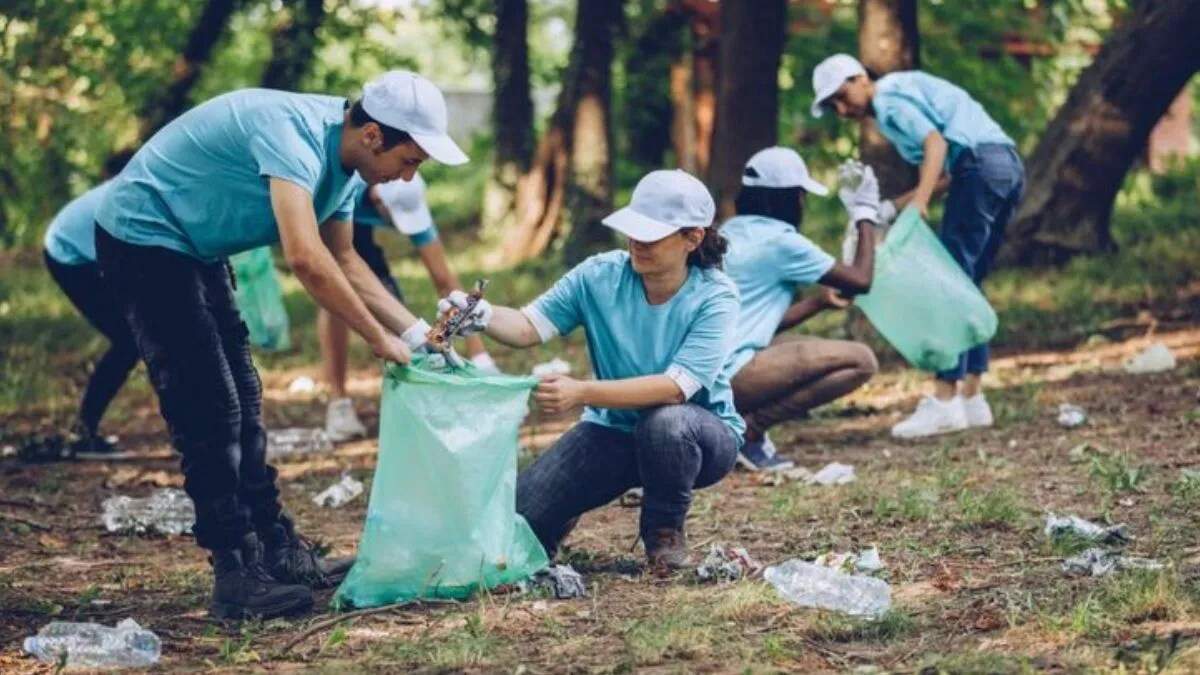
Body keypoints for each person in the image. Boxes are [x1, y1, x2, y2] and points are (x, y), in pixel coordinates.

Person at [94, 70, 467, 619]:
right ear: (372, 136)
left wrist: (416, 335)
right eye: (409, 161)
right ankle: (235, 573)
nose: (408, 179)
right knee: (210, 403)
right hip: (142, 235)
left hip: (195, 245)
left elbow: (345, 259)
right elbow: (305, 259)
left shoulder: (346, 167)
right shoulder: (293, 137)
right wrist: (377, 339)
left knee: (243, 393)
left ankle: (277, 548)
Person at [441, 169, 743, 570]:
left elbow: (675, 388)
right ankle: (561, 515)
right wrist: (481, 314)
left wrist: (580, 392)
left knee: (666, 424)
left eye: (652, 235)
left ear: (693, 238)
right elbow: (529, 326)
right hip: (612, 431)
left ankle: (663, 531)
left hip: (699, 436)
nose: (637, 241)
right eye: (634, 229)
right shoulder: (598, 275)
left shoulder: (716, 296)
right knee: (519, 519)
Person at [811, 54, 1025, 439]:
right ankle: (973, 399)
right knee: (967, 283)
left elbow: (936, 144)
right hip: (1005, 166)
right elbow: (944, 172)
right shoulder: (901, 95)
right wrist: (893, 207)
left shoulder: (890, 97)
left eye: (842, 97)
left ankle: (945, 400)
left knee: (948, 287)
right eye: (834, 107)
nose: (843, 110)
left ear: (861, 77)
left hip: (979, 167)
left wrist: (921, 202)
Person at [722, 147, 881, 471]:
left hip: (706, 370)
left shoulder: (729, 231)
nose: (802, 203)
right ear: (788, 198)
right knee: (861, 361)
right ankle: (749, 429)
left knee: (787, 349)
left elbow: (750, 325)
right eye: (800, 195)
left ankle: (738, 428)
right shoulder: (780, 241)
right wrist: (865, 214)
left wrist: (818, 302)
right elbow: (860, 280)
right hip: (729, 376)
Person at [318, 173, 498, 441]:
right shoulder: (343, 189)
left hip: (365, 223)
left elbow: (445, 280)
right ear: (378, 201)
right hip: (339, 219)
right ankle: (338, 403)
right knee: (336, 295)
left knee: (396, 312)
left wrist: (480, 357)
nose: (400, 226)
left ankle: (416, 394)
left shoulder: (410, 197)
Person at [42, 150, 137, 458]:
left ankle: (84, 428)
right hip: (68, 253)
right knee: (130, 340)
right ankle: (83, 432)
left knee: (142, 335)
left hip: (86, 248)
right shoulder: (136, 196)